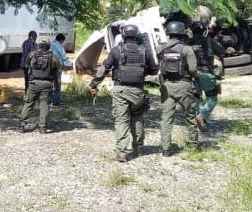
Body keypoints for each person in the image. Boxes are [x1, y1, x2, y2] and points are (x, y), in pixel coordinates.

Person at [88, 24, 158, 162]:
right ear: (137, 35)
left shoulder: (116, 50)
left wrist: (94, 84)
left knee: (122, 121)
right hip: (138, 91)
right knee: (137, 118)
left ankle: (122, 153)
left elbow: (104, 68)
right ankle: (139, 148)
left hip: (120, 90)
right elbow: (154, 69)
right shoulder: (144, 51)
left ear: (124, 35)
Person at [158, 20, 200, 156]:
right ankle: (193, 145)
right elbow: (193, 69)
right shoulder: (187, 49)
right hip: (184, 86)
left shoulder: (161, 48)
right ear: (182, 33)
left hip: (167, 86)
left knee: (166, 119)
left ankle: (165, 149)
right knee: (190, 116)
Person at [20, 39, 62, 133]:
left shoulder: (31, 55)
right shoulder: (54, 57)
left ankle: (23, 124)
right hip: (46, 84)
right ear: (49, 46)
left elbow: (26, 66)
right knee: (44, 104)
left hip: (33, 83)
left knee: (28, 103)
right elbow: (59, 70)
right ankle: (42, 127)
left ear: (39, 46)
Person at [189, 21, 225, 130]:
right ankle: (202, 115)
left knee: (197, 98)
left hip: (193, 74)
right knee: (212, 98)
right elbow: (221, 51)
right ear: (204, 31)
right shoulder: (209, 40)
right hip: (207, 73)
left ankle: (200, 120)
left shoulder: (188, 43)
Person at [50, 33, 74, 106]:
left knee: (50, 84)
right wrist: (70, 64)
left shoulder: (50, 44)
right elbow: (63, 57)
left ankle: (49, 100)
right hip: (57, 67)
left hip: (49, 66)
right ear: (61, 40)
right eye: (63, 41)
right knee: (57, 84)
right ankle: (56, 101)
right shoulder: (59, 46)